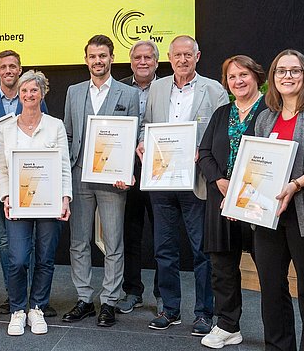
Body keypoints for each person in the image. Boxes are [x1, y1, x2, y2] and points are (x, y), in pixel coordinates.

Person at [137, 35, 227, 333]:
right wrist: (141, 144)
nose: (183, 60)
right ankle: (170, 309)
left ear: (197, 57)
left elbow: (222, 136)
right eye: (177, 55)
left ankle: (204, 313)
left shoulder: (214, 90)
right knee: (164, 249)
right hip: (161, 181)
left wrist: (203, 151)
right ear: (170, 58)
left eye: (188, 54)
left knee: (202, 250)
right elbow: (146, 125)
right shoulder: (158, 88)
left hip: (197, 182)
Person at [253, 49, 304, 351]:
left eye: (295, 71)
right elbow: (258, 163)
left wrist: (296, 184)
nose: (287, 76)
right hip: (269, 215)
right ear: (273, 78)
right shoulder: (266, 117)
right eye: (281, 71)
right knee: (272, 290)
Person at [62, 34, 139, 328]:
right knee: (79, 241)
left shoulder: (127, 94)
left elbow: (133, 136)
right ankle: (84, 298)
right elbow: (68, 134)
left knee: (113, 241)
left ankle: (109, 301)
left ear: (111, 58)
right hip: (79, 173)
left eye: (103, 56)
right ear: (86, 60)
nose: (98, 61)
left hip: (112, 180)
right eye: (93, 56)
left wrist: (126, 171)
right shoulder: (74, 91)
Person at [0, 70, 72, 336]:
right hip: (17, 203)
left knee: (46, 258)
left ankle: (37, 308)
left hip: (49, 203)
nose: (29, 95)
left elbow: (63, 167)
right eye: (24, 90)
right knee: (16, 260)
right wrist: (5, 196)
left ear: (42, 93)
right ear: (18, 94)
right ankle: (17, 310)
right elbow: (1, 169)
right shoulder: (6, 129)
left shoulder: (55, 125)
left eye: (34, 90)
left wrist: (65, 199)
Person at [197, 55, 266, 348]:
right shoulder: (222, 113)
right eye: (232, 77)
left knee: (269, 267)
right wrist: (218, 182)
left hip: (259, 202)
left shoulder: (270, 110)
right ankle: (227, 325)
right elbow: (205, 152)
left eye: (243, 75)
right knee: (222, 266)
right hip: (222, 200)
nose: (238, 81)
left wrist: (244, 187)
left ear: (256, 76)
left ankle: (277, 333)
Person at [0, 50, 50, 316]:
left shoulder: (34, 97)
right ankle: (14, 296)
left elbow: (47, 146)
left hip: (35, 187)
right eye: (3, 66)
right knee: (6, 242)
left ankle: (37, 301)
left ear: (20, 70)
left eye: (13, 66)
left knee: (35, 244)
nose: (8, 70)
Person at [116, 40, 160, 314]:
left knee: (162, 235)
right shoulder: (118, 88)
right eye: (138, 57)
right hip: (126, 169)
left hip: (159, 169)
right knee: (130, 233)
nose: (143, 62)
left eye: (148, 57)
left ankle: (163, 294)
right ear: (131, 61)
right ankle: (132, 291)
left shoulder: (169, 88)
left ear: (156, 62)